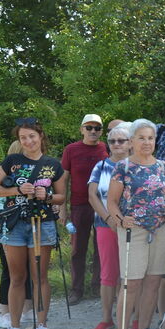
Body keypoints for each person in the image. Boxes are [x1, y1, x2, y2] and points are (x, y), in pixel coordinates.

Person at [0, 118, 65, 329]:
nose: (28, 141)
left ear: (40, 136)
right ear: (19, 140)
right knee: (17, 277)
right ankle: (13, 327)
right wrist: (18, 189)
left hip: (43, 223)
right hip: (15, 224)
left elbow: (61, 196)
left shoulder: (53, 164)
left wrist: (46, 196)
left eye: (31, 136)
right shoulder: (12, 160)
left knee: (39, 276)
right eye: (23, 137)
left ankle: (41, 325)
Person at [107, 118, 165, 329]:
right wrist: (120, 220)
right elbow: (112, 202)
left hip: (159, 229)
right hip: (133, 230)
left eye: (150, 138)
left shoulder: (163, 167)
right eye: (141, 138)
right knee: (131, 283)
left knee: (153, 281)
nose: (147, 142)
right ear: (132, 141)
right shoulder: (123, 167)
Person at [59, 113, 109, 305]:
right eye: (89, 127)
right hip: (79, 205)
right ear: (81, 129)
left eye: (97, 128)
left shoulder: (106, 148)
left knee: (101, 247)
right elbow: (63, 180)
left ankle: (98, 285)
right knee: (77, 248)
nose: (93, 131)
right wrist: (62, 209)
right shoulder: (71, 150)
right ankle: (76, 289)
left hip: (102, 205)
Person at [87, 122, 132, 329]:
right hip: (105, 225)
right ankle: (106, 318)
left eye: (121, 141)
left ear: (130, 143)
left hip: (133, 225)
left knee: (131, 271)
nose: (116, 144)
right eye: (112, 141)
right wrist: (108, 218)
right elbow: (92, 195)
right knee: (109, 272)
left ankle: (131, 315)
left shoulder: (137, 165)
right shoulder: (101, 166)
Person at [0, 140, 34, 329]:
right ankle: (4, 312)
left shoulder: (33, 174)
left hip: (30, 229)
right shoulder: (2, 178)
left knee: (31, 270)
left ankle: (28, 308)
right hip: (7, 231)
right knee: (10, 272)